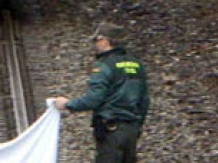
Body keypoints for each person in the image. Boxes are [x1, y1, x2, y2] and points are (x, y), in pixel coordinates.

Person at [50, 23, 150, 163]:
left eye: (96, 40)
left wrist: (68, 104)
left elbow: (93, 99)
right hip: (131, 129)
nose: (95, 44)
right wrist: (137, 125)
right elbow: (144, 101)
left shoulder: (104, 65)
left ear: (105, 40)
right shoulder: (136, 64)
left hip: (110, 129)